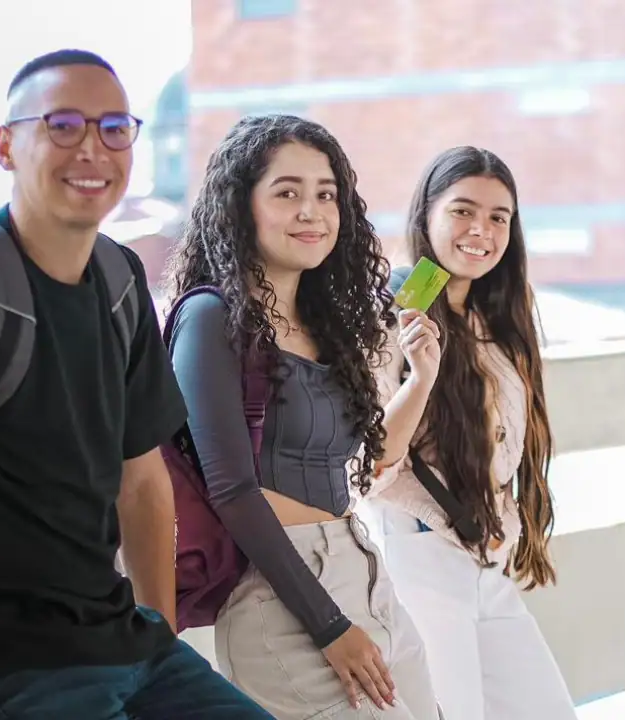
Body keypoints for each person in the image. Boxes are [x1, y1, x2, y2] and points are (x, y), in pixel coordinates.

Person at [0, 49, 271, 720]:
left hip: (122, 641)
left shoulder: (117, 278)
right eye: (62, 125)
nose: (92, 148)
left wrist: (162, 645)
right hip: (4, 666)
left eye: (113, 129)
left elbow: (143, 484)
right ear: (6, 146)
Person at [165, 113, 440, 719]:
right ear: (241, 206)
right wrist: (329, 625)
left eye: (326, 194)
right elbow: (232, 490)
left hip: (363, 568)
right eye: (287, 193)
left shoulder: (326, 326)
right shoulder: (210, 319)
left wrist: (421, 379)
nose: (311, 212)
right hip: (283, 595)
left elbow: (370, 464)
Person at [360, 146, 578, 719]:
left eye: (498, 217)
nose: (481, 230)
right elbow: (369, 465)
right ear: (426, 214)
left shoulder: (496, 320)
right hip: (419, 551)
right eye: (462, 211)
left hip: (485, 553)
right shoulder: (394, 313)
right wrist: (420, 376)